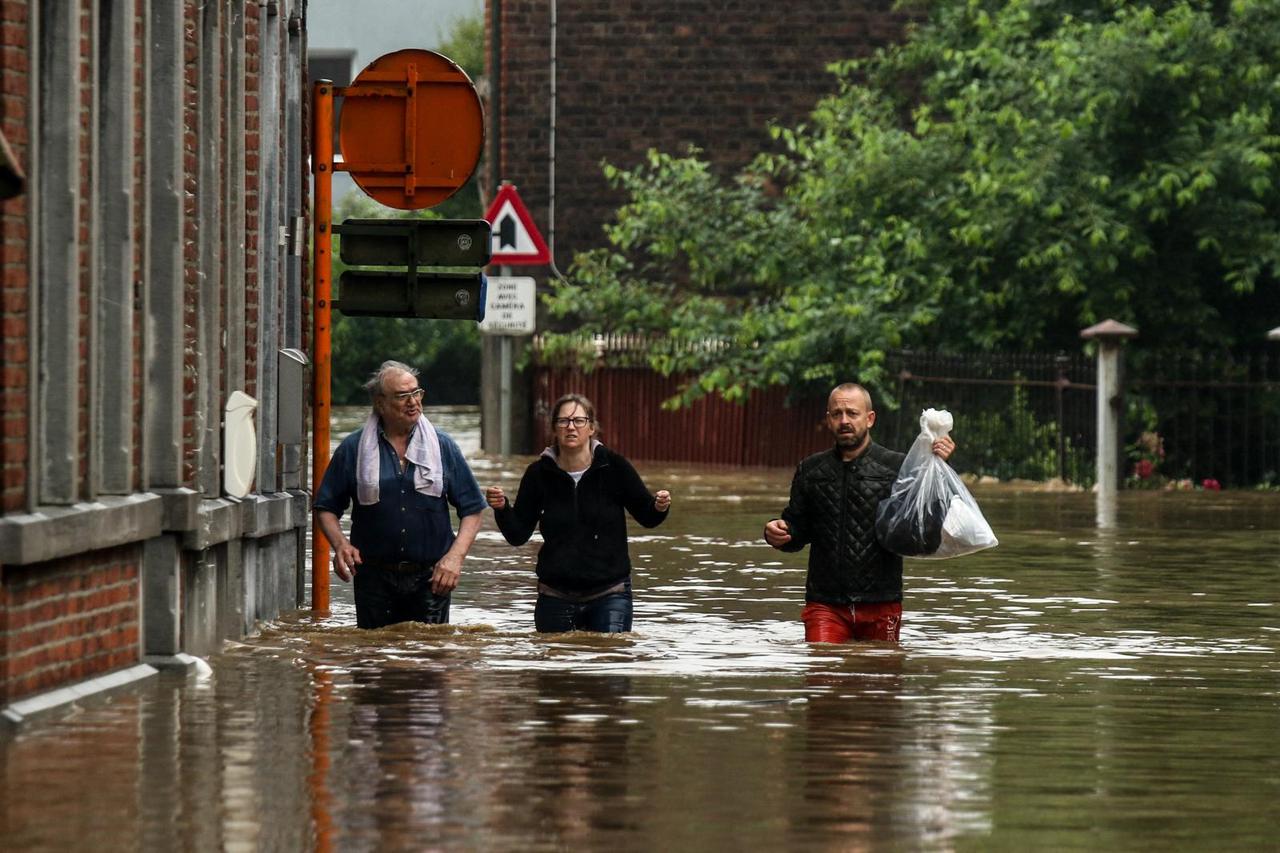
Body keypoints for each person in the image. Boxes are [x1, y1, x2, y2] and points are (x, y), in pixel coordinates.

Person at [763, 382, 955, 643]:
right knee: (821, 673)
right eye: (837, 414)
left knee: (879, 678)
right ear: (828, 419)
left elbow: (925, 528)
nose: (844, 420)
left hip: (881, 602)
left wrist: (938, 467)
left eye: (852, 413)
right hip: (825, 604)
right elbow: (797, 529)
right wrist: (777, 531)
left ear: (870, 418)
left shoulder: (897, 467)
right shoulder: (810, 470)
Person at [314, 360, 485, 629]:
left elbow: (473, 509)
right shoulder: (354, 448)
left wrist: (455, 558)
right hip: (373, 577)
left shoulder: (442, 446)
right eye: (402, 396)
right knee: (373, 661)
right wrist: (340, 545)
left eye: (416, 393)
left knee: (429, 661)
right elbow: (325, 506)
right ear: (380, 403)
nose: (413, 402)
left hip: (432, 578)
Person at [485, 393, 672, 633]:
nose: (571, 427)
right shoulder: (539, 473)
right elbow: (518, 534)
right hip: (555, 594)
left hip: (610, 592)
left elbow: (647, 516)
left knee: (608, 658)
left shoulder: (613, 467)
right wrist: (502, 508)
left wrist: (659, 506)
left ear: (591, 428)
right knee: (555, 665)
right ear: (554, 428)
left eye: (578, 421)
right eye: (563, 421)